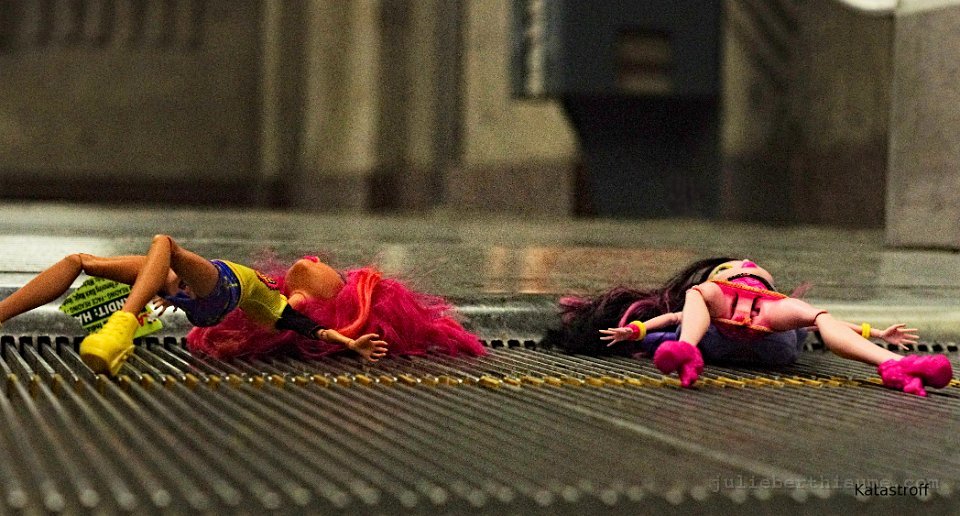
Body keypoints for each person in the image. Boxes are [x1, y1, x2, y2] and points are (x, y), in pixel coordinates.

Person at [0, 234, 484, 376]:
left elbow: (309, 328)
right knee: (80, 262)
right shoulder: (277, 297)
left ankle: (121, 327)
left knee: (164, 244)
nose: (315, 261)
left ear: (336, 300)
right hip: (195, 291)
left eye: (332, 274)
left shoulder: (279, 305)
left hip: (219, 288)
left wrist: (350, 343)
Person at [544, 257, 952, 397]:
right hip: (738, 341)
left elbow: (823, 322)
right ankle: (892, 364)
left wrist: (877, 335)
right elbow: (673, 316)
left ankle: (892, 364)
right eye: (733, 270)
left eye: (753, 272)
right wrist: (634, 332)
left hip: (764, 340)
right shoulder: (709, 299)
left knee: (815, 317)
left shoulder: (746, 303)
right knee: (813, 317)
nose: (745, 267)